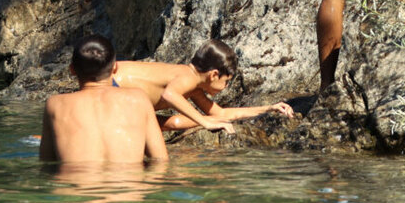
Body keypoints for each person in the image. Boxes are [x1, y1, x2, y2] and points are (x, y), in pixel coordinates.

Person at [112, 39, 294, 133]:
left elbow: (221, 113)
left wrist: (268, 108)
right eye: (226, 81)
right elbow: (170, 95)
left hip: (120, 96)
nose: (225, 87)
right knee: (172, 122)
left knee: (173, 122)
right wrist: (204, 121)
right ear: (214, 74)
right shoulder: (187, 75)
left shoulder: (195, 88)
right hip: (113, 86)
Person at [39, 35, 169, 165]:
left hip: (78, 184)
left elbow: (47, 162)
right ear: (115, 68)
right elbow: (160, 160)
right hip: (129, 183)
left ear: (72, 70)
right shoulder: (138, 99)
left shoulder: (56, 104)